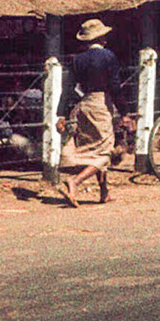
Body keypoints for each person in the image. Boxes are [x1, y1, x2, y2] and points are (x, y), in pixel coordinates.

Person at [58, 18, 122, 206]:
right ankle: (74, 182)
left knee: (94, 148)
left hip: (84, 105)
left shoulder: (78, 59)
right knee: (105, 151)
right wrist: (125, 111)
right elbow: (115, 86)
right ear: (101, 38)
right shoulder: (108, 57)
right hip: (101, 105)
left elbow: (68, 88)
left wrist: (61, 114)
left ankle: (104, 192)